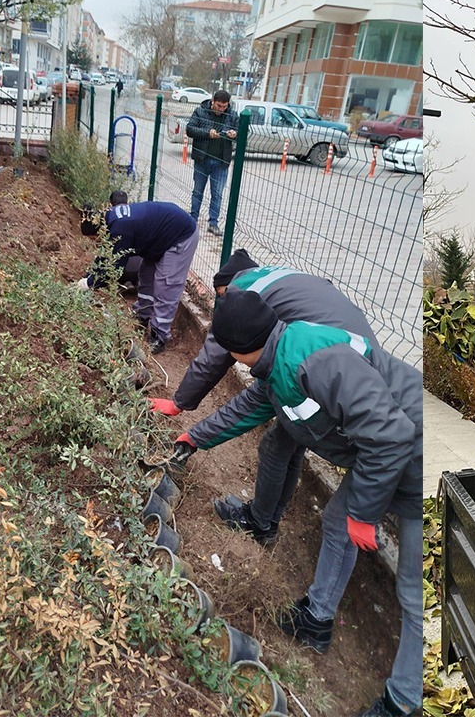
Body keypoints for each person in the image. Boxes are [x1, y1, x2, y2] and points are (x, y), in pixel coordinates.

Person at [168, 291, 423, 717]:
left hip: (417, 459)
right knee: (337, 522)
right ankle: (317, 620)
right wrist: (194, 437)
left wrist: (364, 513)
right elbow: (248, 406)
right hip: (385, 455)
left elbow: (391, 435)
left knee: (414, 593)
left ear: (235, 349)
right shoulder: (280, 356)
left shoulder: (313, 360)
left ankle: (404, 702)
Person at [149, 249, 380, 545]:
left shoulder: (246, 300)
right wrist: (196, 436)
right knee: (288, 441)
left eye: (222, 296)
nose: (224, 302)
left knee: (276, 444)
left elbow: (220, 363)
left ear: (227, 287)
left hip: (339, 373)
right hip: (356, 356)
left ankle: (260, 523)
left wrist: (180, 405)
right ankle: (266, 521)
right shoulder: (277, 283)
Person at [80, 191, 198, 354]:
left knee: (166, 285)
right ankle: (142, 316)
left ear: (98, 231)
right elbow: (105, 256)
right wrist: (89, 275)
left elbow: (114, 267)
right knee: (146, 276)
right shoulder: (110, 218)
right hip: (160, 236)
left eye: (94, 238)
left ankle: (160, 336)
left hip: (179, 235)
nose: (96, 242)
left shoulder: (119, 230)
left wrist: (90, 283)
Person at [184, 90, 239, 236]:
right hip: (202, 159)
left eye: (224, 106)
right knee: (197, 191)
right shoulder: (200, 112)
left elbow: (243, 132)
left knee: (217, 194)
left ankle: (213, 223)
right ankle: (192, 219)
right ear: (213, 101)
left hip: (221, 162)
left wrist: (235, 134)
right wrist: (207, 133)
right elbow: (190, 129)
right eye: (219, 106)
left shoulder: (232, 115)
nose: (222, 109)